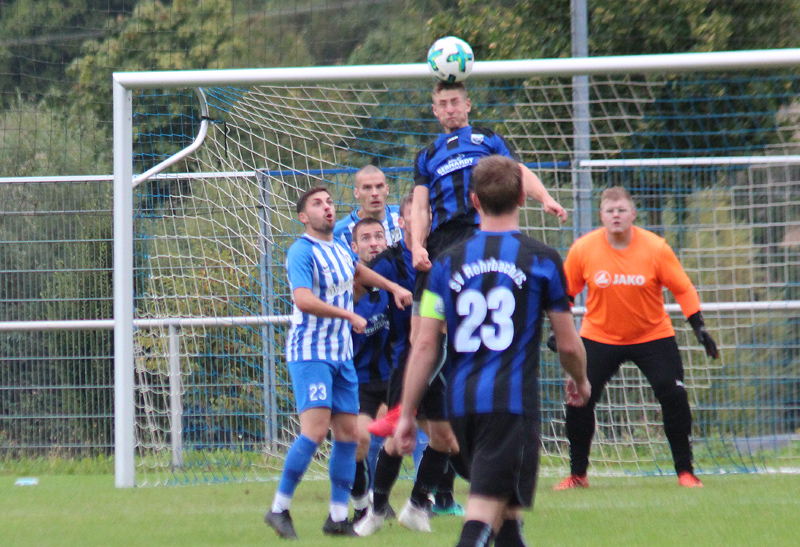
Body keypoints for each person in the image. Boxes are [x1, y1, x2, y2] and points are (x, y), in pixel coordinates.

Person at [394, 155, 591, 547]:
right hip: (510, 407)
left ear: (473, 200)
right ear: (522, 196)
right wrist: (581, 380)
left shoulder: (445, 265)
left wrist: (405, 413)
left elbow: (426, 345)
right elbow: (568, 343)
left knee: (509, 518)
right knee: (483, 514)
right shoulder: (542, 259)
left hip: (461, 405)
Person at [264, 186, 412, 540]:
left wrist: (392, 287)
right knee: (314, 432)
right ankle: (278, 508)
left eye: (329, 202)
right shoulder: (302, 250)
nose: (327, 207)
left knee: (348, 436)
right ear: (304, 217)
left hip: (341, 355)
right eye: (317, 204)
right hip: (311, 353)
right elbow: (302, 299)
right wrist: (349, 314)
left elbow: (359, 272)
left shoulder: (340, 250)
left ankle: (337, 517)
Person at [552, 186, 718, 491]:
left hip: (652, 336)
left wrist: (699, 326)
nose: (616, 216)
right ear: (601, 215)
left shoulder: (655, 248)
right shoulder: (583, 249)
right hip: (599, 336)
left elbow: (682, 288)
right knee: (578, 397)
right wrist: (558, 330)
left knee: (674, 396)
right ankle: (578, 474)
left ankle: (685, 471)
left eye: (621, 210)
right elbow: (565, 292)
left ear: (633, 214)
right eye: (610, 211)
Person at [355, 194, 464, 537]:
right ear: (401, 222)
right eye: (414, 216)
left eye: (427, 215)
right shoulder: (390, 262)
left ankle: (417, 506)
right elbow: (358, 286)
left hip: (440, 358)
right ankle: (375, 511)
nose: (422, 221)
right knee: (398, 438)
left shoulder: (444, 255)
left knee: (444, 439)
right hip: (408, 360)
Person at [348, 217, 391, 525]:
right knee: (359, 441)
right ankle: (363, 505)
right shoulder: (344, 291)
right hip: (360, 381)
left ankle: (429, 498)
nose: (374, 242)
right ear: (354, 247)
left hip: (395, 378)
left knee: (395, 437)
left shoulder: (397, 280)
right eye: (366, 238)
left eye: (379, 236)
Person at [334, 165, 403, 252]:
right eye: (367, 188)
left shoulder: (403, 216)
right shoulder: (340, 232)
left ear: (387, 190)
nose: (374, 193)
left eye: (379, 186)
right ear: (356, 193)